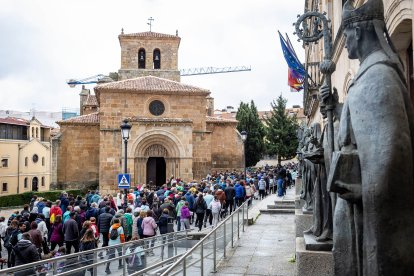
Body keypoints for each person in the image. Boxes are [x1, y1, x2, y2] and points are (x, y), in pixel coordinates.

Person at [322, 1, 414, 274]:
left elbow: (391, 158)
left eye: (346, 33)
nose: (344, 42)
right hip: (355, 207)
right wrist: (336, 108)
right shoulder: (367, 76)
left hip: (363, 212)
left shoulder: (379, 77)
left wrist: (358, 188)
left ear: (359, 31)